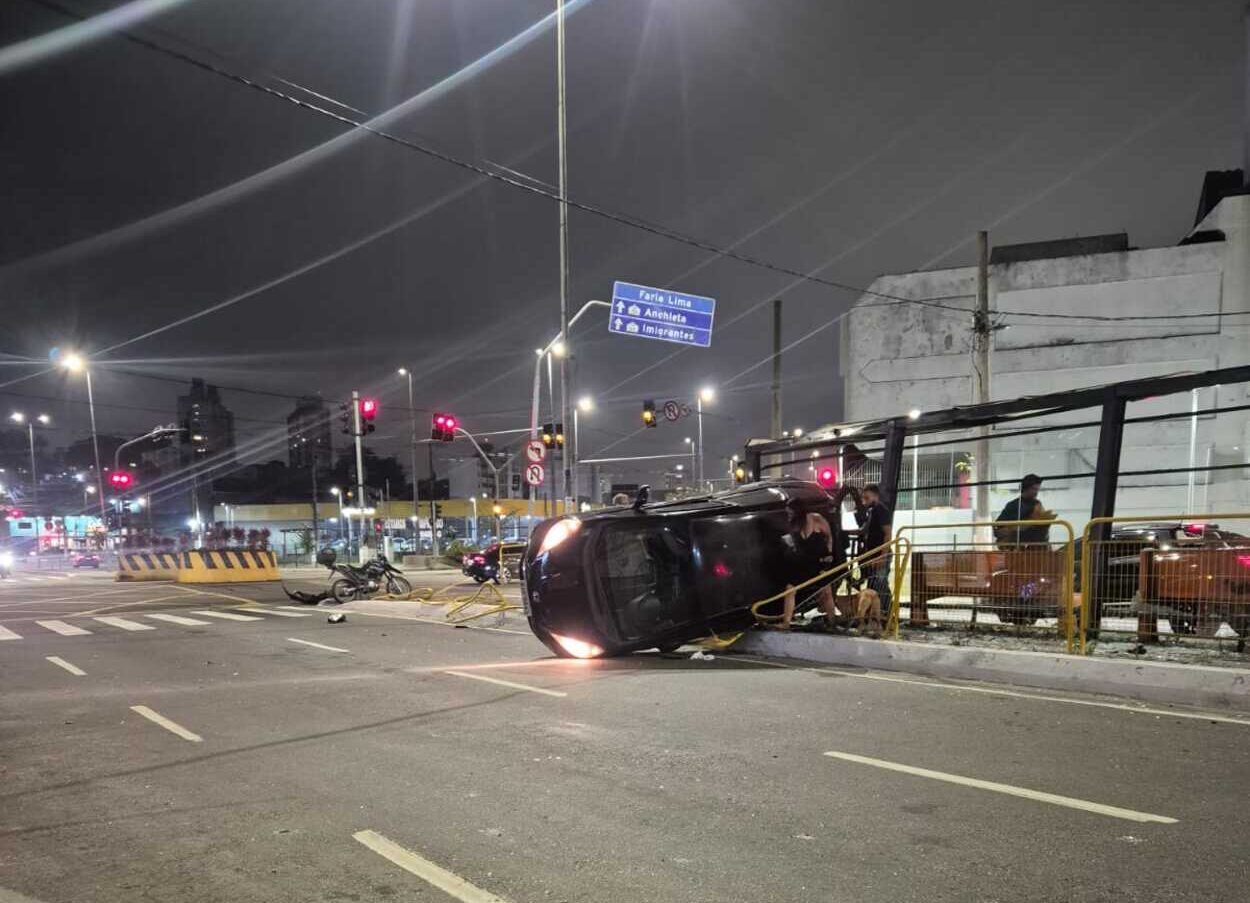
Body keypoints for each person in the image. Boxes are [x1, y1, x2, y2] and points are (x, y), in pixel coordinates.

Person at [779, 498, 838, 629]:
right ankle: (786, 624)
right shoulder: (794, 524)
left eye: (790, 512)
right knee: (790, 589)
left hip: (819, 562)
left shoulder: (816, 518)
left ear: (797, 510)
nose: (789, 515)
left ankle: (833, 622)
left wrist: (829, 553)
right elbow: (795, 544)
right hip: (803, 562)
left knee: (826, 592)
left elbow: (829, 536)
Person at [854, 483, 893, 612]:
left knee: (879, 584)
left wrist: (882, 556)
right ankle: (878, 614)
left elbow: (888, 533)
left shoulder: (880, 510)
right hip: (873, 555)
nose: (864, 501)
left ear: (875, 496)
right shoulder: (872, 511)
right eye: (863, 498)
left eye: (867, 497)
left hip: (880, 554)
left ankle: (886, 613)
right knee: (874, 585)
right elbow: (864, 531)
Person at [995, 474, 1055, 547]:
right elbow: (998, 527)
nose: (1036, 492)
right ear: (1025, 488)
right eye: (1034, 489)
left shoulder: (1037, 504)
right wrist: (1016, 529)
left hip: (1035, 544)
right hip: (1017, 543)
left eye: (1037, 489)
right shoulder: (1013, 505)